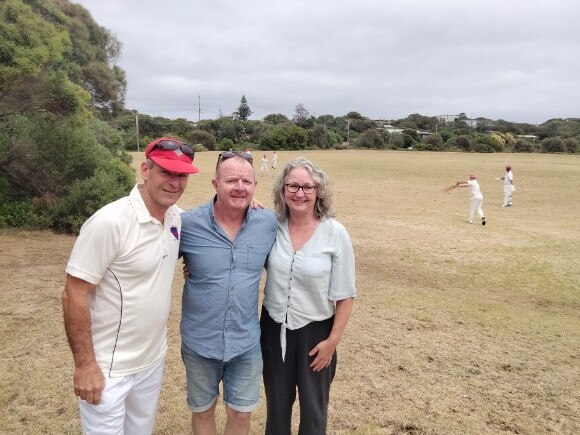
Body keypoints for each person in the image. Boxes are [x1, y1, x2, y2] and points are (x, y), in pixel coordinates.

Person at [61, 137, 199, 434]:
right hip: (108, 368)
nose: (174, 183)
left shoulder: (176, 217)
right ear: (145, 170)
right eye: (166, 172)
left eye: (181, 175)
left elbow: (215, 223)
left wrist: (248, 205)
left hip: (151, 360)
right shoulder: (110, 221)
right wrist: (85, 365)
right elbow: (74, 292)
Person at [179, 151, 277, 435]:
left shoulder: (267, 223)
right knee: (203, 411)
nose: (240, 187)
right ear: (215, 184)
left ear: (255, 185)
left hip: (245, 342)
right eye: (231, 180)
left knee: (240, 415)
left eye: (247, 181)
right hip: (200, 341)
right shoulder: (188, 225)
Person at [260, 157, 356, 435]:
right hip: (273, 327)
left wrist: (332, 342)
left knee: (314, 412)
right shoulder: (270, 225)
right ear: (282, 190)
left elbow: (346, 296)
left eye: (307, 187)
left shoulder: (335, 233)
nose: (299, 193)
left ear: (318, 192)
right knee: (277, 408)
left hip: (317, 334)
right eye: (293, 186)